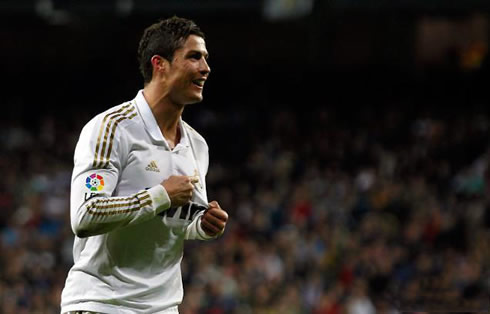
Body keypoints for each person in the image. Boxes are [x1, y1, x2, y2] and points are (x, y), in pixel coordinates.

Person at [60, 16, 228, 314]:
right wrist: (160, 195)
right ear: (159, 64)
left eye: (205, 58)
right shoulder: (110, 129)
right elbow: (86, 215)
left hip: (163, 307)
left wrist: (200, 226)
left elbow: (172, 222)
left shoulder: (196, 146)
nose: (205, 68)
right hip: (102, 304)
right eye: (194, 57)